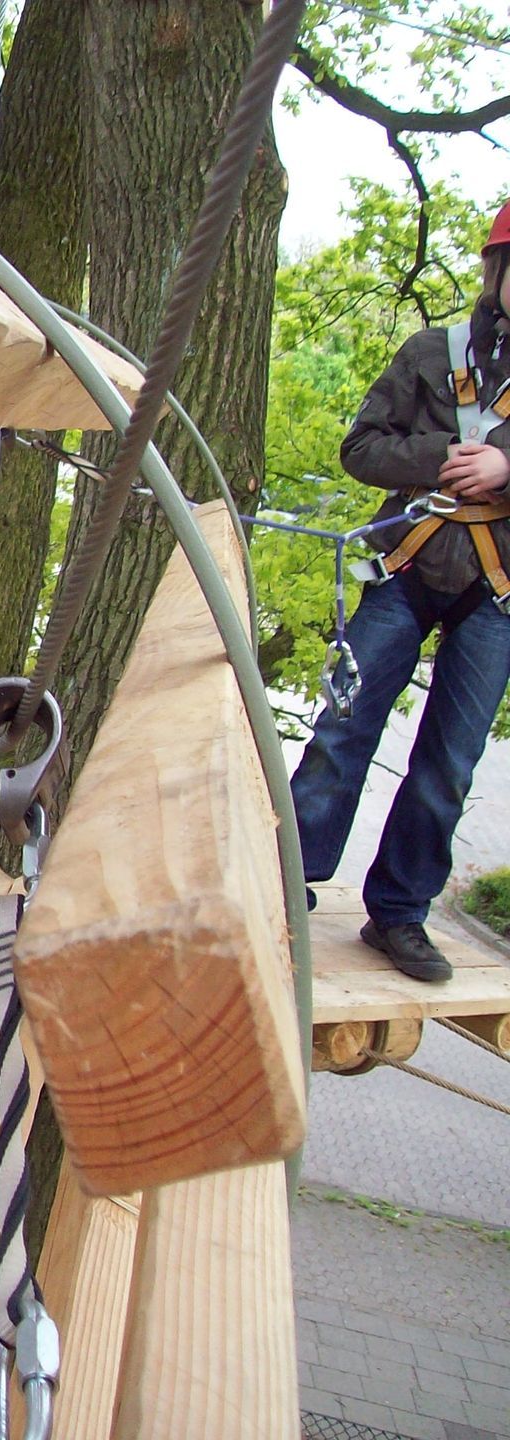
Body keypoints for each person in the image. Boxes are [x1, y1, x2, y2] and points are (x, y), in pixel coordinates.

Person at [289, 199, 510, 982]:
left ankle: (399, 913)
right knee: (342, 727)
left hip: (496, 588)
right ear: (497, 272)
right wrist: (441, 454)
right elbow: (360, 449)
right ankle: (287, 882)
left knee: (450, 760)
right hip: (407, 567)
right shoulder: (431, 354)